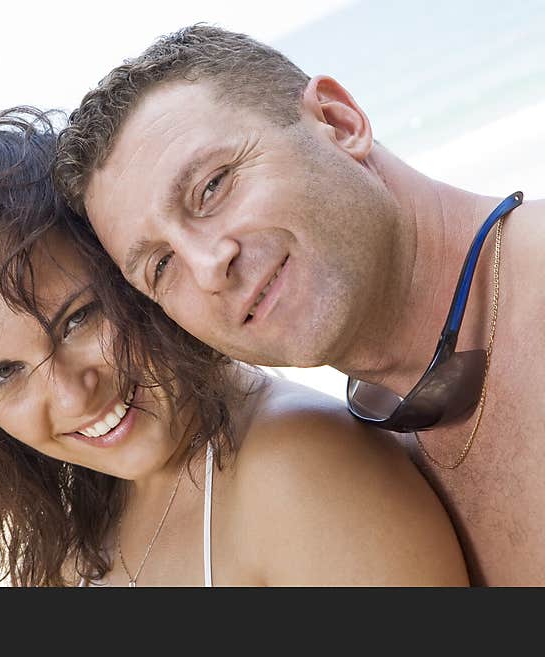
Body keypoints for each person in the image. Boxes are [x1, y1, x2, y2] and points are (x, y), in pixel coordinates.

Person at [0, 108, 467, 586]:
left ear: (129, 269)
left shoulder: (300, 469)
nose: (69, 392)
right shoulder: (83, 527)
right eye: (3, 375)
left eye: (76, 320)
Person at [53, 25, 544, 586]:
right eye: (161, 266)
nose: (209, 267)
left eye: (212, 187)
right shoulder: (374, 452)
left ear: (339, 122)